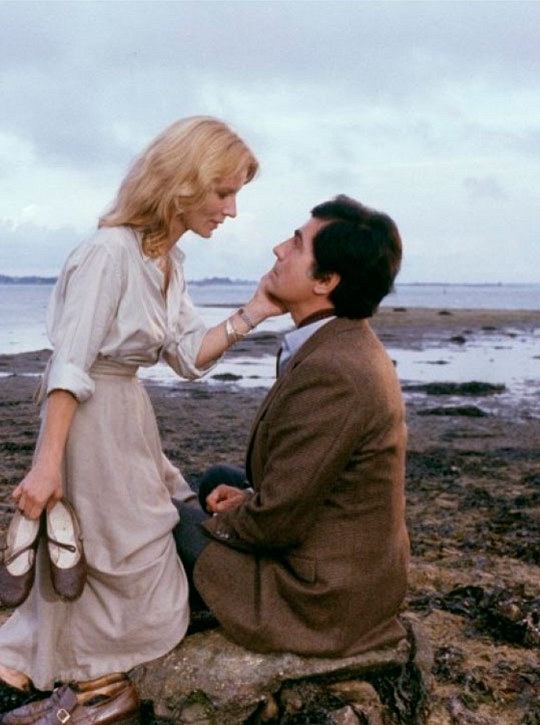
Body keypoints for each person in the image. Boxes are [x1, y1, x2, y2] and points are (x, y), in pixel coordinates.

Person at [0, 116, 280, 725]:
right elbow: (70, 363)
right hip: (87, 418)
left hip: (127, 417)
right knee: (113, 556)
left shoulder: (167, 261)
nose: (231, 210)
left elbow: (188, 357)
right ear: (182, 183)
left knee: (122, 551)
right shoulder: (108, 253)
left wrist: (255, 311)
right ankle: (97, 691)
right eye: (223, 192)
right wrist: (47, 464)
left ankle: (90, 685)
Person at [174, 194, 410, 658]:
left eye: (297, 244)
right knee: (217, 480)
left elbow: (276, 523)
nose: (279, 249)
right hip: (341, 559)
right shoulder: (339, 340)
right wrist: (245, 499)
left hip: (323, 600)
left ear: (325, 281)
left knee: (158, 521)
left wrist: (221, 520)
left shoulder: (336, 373)